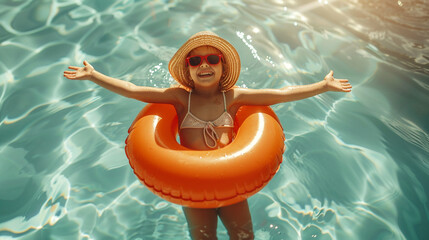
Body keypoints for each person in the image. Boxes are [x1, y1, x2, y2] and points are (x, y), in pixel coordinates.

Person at [64, 31, 351, 240]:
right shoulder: (179, 98)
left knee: (243, 235)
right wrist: (94, 76)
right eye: (195, 60)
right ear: (187, 70)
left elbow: (281, 94)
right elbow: (132, 89)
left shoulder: (234, 98)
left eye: (212, 59)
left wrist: (322, 86)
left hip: (231, 181)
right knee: (203, 237)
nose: (204, 65)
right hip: (192, 186)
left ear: (222, 66)